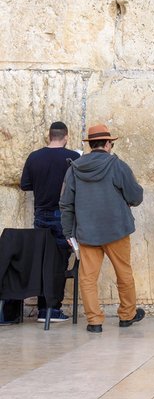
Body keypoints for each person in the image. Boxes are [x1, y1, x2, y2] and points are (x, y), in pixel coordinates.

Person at [60, 124, 145, 333]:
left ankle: (94, 321)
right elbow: (136, 196)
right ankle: (127, 315)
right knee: (124, 273)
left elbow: (66, 204)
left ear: (90, 145)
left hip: (87, 233)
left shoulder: (74, 168)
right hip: (117, 230)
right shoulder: (117, 165)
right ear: (107, 144)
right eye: (112, 143)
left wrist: (68, 233)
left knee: (88, 278)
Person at [17, 121, 80, 323]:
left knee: (43, 260)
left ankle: (43, 308)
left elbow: (25, 185)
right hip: (63, 215)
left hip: (41, 215)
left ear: (49, 136)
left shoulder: (34, 157)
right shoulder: (74, 157)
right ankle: (53, 310)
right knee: (59, 262)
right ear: (66, 136)